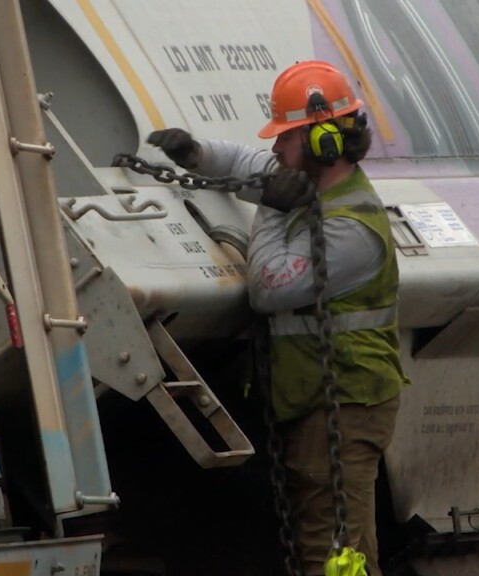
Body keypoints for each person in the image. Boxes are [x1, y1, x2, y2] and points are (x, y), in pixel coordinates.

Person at [147, 60, 408, 576]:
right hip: (319, 400)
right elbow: (246, 161)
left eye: (285, 138)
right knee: (333, 548)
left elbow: (268, 287)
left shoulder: (353, 229)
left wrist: (270, 208)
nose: (274, 150)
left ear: (321, 142)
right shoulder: (309, 183)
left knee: (334, 557)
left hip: (342, 407)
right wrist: (196, 155)